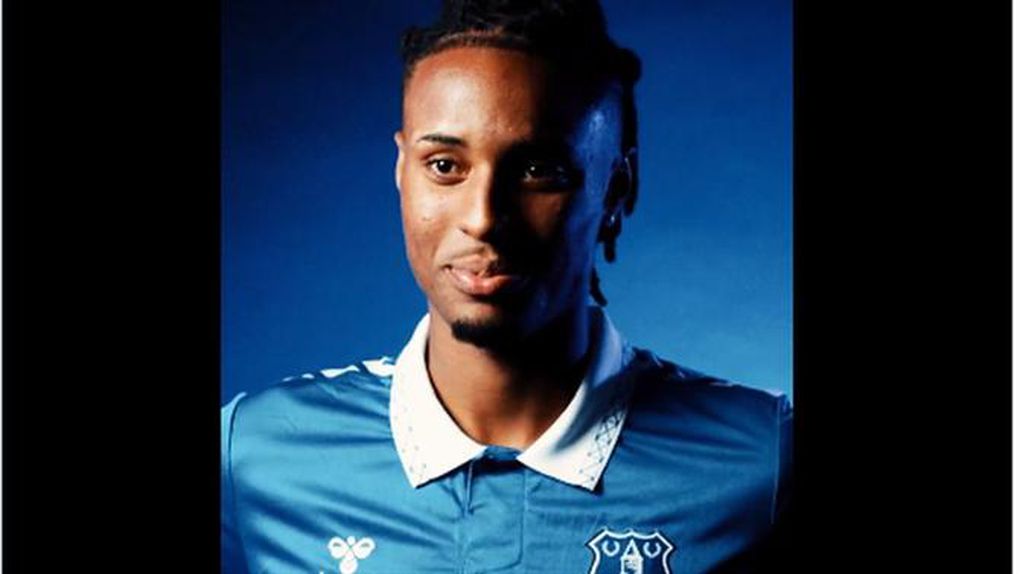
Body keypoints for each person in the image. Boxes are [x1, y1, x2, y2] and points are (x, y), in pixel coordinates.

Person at [221, 1, 792, 572]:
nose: (484, 218)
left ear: (616, 190)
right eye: (445, 166)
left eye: (537, 171)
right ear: (401, 172)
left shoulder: (763, 463)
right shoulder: (254, 453)